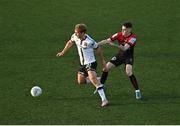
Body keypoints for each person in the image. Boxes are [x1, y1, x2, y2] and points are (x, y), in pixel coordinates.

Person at [56, 23, 108, 107]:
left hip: (91, 63)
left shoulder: (89, 41)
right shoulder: (75, 36)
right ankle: (99, 80)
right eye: (75, 32)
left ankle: (104, 99)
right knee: (80, 81)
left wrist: (102, 60)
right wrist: (63, 52)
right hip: (82, 64)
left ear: (83, 33)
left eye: (77, 32)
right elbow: (70, 42)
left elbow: (98, 48)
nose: (76, 34)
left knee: (92, 78)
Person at [98, 22, 142, 99]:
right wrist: (95, 44)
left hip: (128, 57)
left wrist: (114, 45)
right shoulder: (118, 34)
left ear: (129, 29)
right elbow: (107, 40)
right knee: (106, 68)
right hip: (119, 56)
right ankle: (101, 86)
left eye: (125, 30)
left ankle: (137, 91)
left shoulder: (133, 38)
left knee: (129, 72)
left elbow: (125, 48)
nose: (123, 31)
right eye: (122, 29)